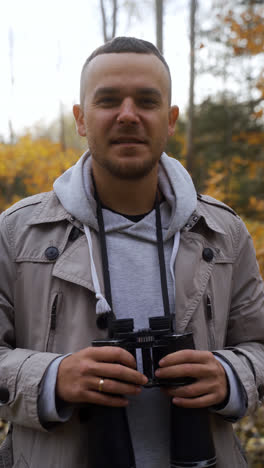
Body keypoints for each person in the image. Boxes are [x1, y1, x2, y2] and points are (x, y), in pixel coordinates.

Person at [0, 36, 263, 468]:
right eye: (108, 101)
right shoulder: (17, 231)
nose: (128, 115)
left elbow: (259, 344)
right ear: (81, 119)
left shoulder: (224, 232)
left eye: (146, 101)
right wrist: (51, 378)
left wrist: (230, 375)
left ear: (171, 119)